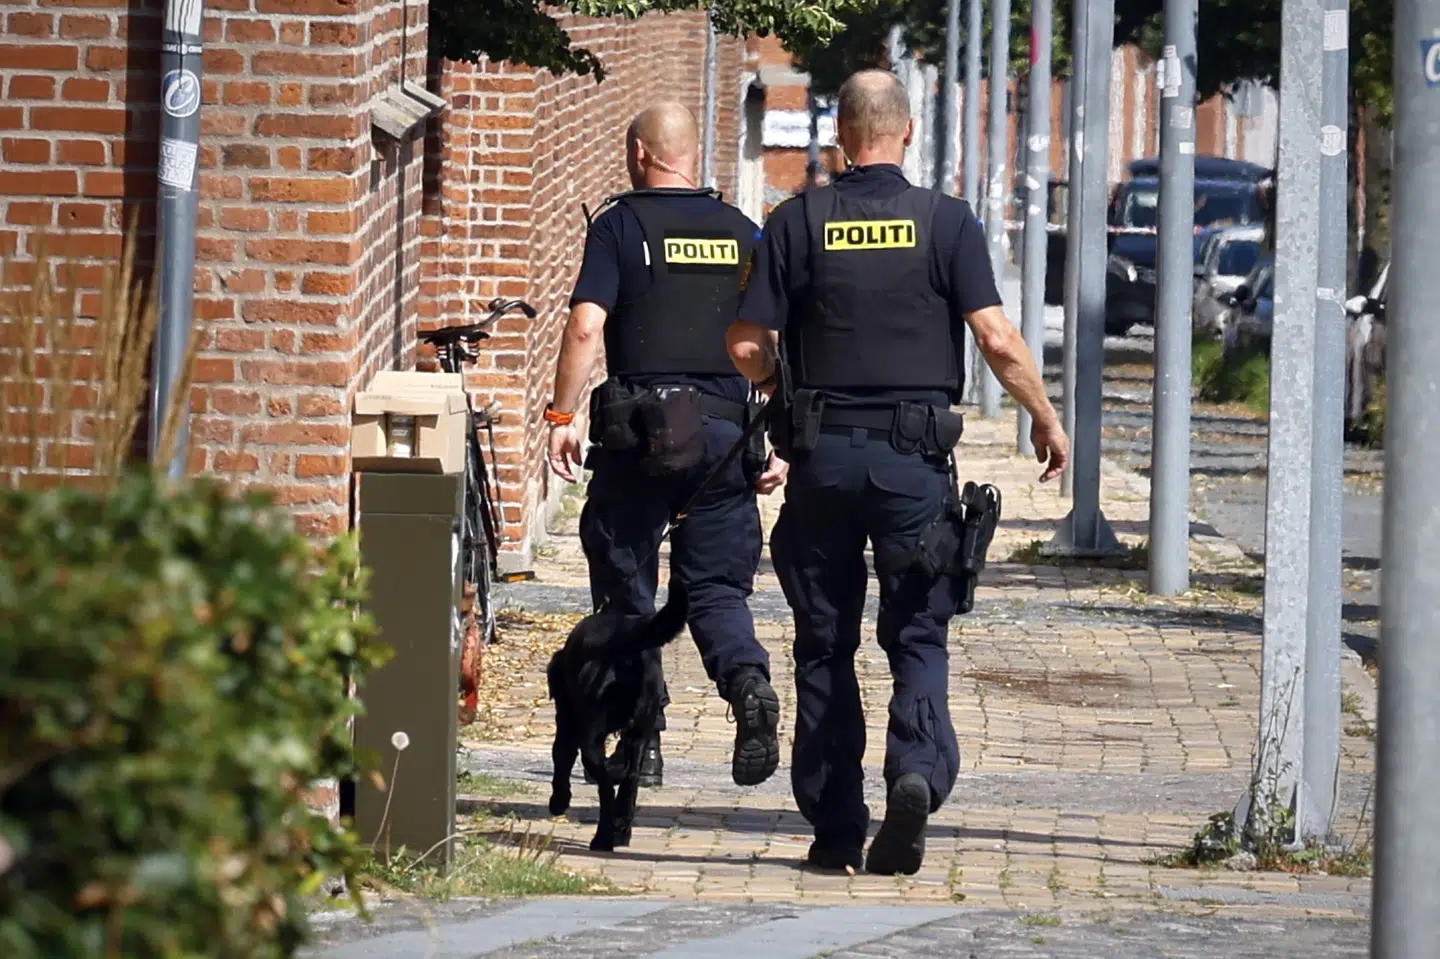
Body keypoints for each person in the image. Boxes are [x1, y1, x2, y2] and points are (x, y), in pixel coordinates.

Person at [725, 70, 1070, 876]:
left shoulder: (797, 220)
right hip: (914, 463)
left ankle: (837, 828)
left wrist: (782, 392)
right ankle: (915, 770)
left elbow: (745, 343)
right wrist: (1044, 417)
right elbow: (996, 338)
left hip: (823, 461)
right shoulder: (946, 223)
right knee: (918, 627)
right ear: (907, 132)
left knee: (824, 639)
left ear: (839, 135)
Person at [546, 101, 786, 791]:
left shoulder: (620, 226)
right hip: (722, 437)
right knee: (715, 591)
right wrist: (775, 436)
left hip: (638, 438)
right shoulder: (744, 232)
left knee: (628, 596)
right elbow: (771, 344)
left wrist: (563, 413)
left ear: (644, 154)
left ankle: (641, 743)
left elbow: (586, 326)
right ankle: (747, 686)